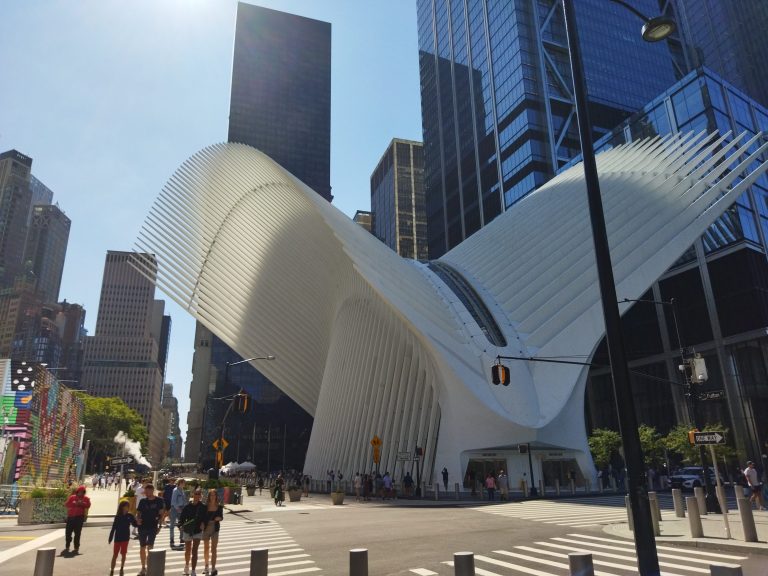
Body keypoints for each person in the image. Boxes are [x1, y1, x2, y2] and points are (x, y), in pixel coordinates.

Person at [135, 484, 166, 576]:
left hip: (153, 527)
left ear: (152, 491)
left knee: (150, 547)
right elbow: (139, 513)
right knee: (142, 547)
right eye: (146, 491)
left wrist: (159, 526)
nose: (146, 493)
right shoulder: (142, 501)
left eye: (148, 491)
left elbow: (161, 514)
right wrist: (138, 520)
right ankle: (143, 567)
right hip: (142, 527)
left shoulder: (159, 501)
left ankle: (149, 566)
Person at [180, 488, 205, 576]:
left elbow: (205, 518)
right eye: (196, 494)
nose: (197, 495)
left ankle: (193, 570)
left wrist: (203, 523)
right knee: (187, 550)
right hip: (188, 530)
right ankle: (186, 566)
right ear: (192, 495)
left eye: (199, 494)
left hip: (197, 531)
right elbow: (182, 518)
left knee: (195, 551)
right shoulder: (187, 506)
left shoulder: (203, 507)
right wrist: (180, 525)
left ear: (201, 496)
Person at [108, 500, 137, 576]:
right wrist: (110, 538)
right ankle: (112, 570)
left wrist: (139, 522)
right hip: (117, 538)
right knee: (115, 555)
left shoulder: (130, 516)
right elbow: (113, 528)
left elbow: (135, 524)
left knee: (123, 554)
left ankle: (122, 568)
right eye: (126, 506)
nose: (128, 507)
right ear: (122, 507)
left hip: (125, 538)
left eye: (128, 506)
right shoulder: (117, 517)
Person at [64, 485, 91, 555]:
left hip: (79, 518)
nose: (81, 493)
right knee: (68, 532)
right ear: (77, 491)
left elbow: (88, 505)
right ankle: (67, 545)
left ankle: (76, 547)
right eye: (80, 492)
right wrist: (73, 504)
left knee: (77, 533)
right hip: (71, 517)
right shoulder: (72, 497)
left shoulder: (86, 498)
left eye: (82, 492)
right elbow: (66, 504)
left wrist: (82, 504)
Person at [202, 489, 223, 576]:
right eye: (211, 495)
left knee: (213, 549)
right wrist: (202, 524)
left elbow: (221, 517)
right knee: (206, 548)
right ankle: (206, 566)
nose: (213, 497)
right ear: (209, 496)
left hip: (215, 528)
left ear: (216, 496)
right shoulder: (205, 507)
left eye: (214, 495)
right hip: (206, 528)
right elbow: (202, 518)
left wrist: (219, 518)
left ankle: (213, 568)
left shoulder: (219, 507)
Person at [170, 479, 187, 550]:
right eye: (183, 483)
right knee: (172, 525)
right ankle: (172, 539)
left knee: (182, 524)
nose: (184, 484)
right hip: (175, 509)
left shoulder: (182, 490)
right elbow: (173, 501)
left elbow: (184, 500)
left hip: (181, 509)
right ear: (180, 483)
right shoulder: (175, 490)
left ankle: (181, 538)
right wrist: (178, 509)